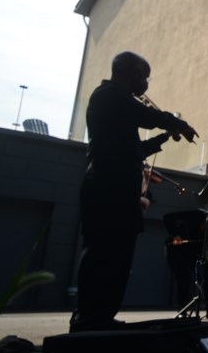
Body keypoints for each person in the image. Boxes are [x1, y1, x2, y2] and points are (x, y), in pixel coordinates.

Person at [71, 51, 197, 332]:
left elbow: (135, 150)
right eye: (145, 76)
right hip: (107, 186)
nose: (147, 83)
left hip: (116, 187)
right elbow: (147, 115)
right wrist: (178, 124)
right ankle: (89, 317)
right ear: (133, 74)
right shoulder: (110, 96)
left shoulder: (118, 103)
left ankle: (101, 316)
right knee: (103, 253)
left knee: (118, 255)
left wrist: (164, 138)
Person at [164, 207, 208, 317]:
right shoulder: (197, 215)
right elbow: (167, 217)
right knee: (183, 277)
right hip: (176, 250)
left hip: (193, 252)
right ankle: (182, 309)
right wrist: (176, 235)